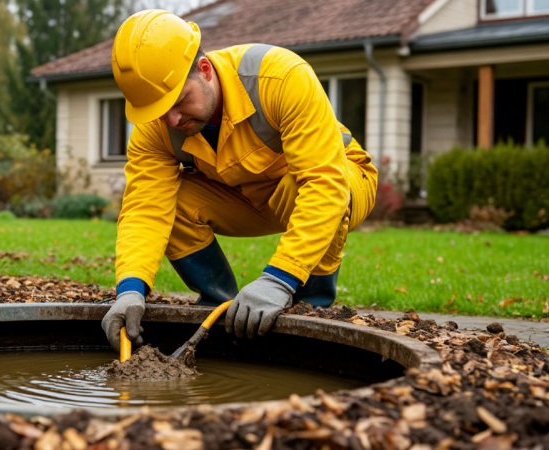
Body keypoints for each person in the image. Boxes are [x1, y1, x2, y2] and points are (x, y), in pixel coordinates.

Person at [101, 10, 378, 352]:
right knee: (172, 201)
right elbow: (145, 209)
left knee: (322, 190)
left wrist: (279, 279)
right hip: (246, 194)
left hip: (337, 181)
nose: (171, 119)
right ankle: (223, 312)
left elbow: (324, 184)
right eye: (159, 110)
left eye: (178, 101)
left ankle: (312, 311)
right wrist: (130, 290)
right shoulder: (156, 126)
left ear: (204, 70)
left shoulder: (280, 78)